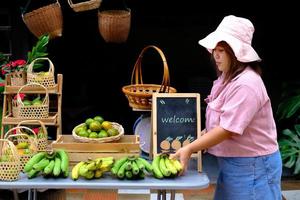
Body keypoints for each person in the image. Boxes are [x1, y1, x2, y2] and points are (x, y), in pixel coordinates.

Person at [170, 15, 282, 200]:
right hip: (232, 164)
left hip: (253, 166)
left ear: (236, 53)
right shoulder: (226, 79)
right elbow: (219, 123)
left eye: (222, 50)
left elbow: (227, 129)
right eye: (215, 50)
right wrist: (197, 140)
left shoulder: (247, 84)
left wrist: (190, 148)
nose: (216, 55)